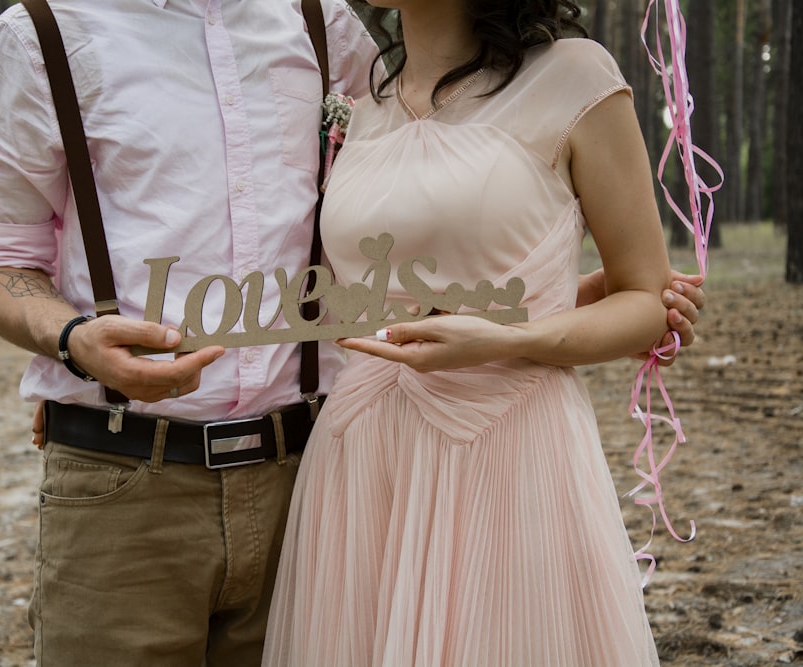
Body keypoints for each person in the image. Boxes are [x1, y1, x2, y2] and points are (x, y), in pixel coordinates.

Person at [0, 1, 703, 665]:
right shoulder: (42, 40)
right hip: (136, 482)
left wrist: (539, 311)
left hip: (303, 471)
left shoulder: (326, 33)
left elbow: (436, 219)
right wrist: (71, 338)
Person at [262, 2, 692, 666]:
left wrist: (505, 340)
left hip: (510, 450)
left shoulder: (575, 77)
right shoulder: (355, 103)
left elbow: (644, 299)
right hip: (363, 459)